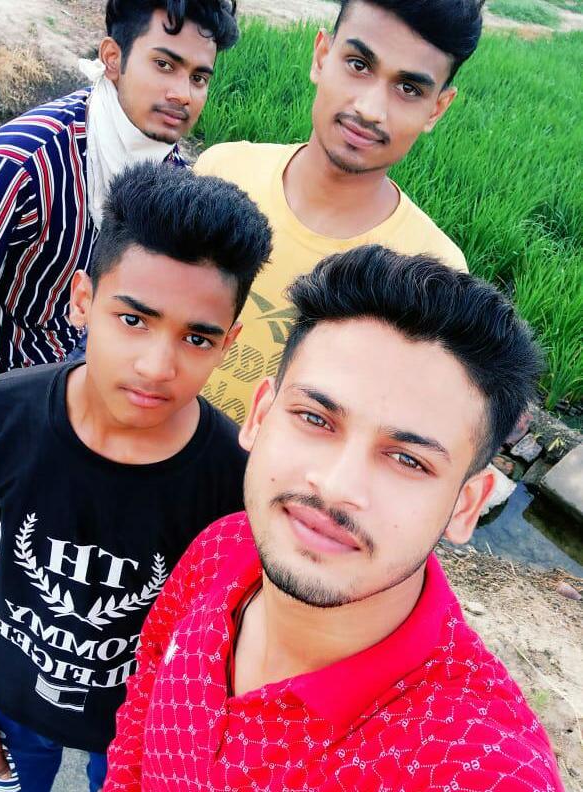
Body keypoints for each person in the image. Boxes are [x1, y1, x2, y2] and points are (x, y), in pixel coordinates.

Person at [103, 246, 563, 791]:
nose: (338, 486)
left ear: (466, 505)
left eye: (408, 460)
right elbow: (140, 711)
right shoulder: (222, 547)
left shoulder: (478, 769)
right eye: (315, 419)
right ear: (259, 416)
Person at [0, 161, 272, 791]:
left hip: (139, 731)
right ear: (83, 300)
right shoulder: (3, 414)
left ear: (229, 343)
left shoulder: (236, 480)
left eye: (196, 339)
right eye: (134, 320)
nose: (156, 366)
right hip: (7, 696)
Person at [195, 0, 484, 423]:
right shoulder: (222, 172)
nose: (370, 109)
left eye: (408, 89)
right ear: (321, 56)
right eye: (358, 65)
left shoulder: (429, 273)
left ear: (437, 109)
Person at [0, 0, 238, 376]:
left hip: (89, 370)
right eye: (164, 65)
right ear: (112, 58)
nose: (183, 94)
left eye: (199, 78)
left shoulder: (170, 179)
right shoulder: (23, 165)